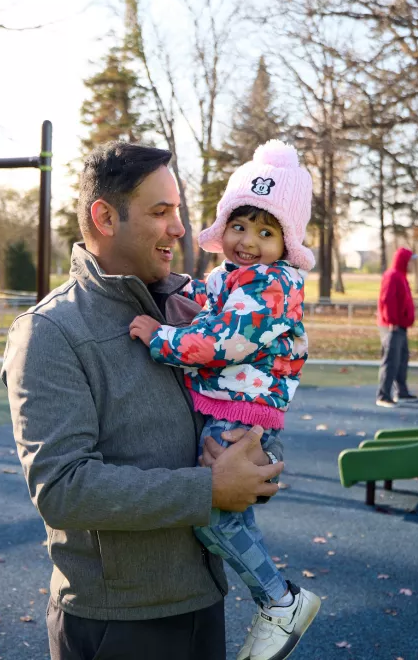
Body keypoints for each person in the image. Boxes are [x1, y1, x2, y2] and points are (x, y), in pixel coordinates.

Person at [1, 142, 285, 660]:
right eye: (161, 212)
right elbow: (62, 488)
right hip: (116, 624)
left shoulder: (191, 312)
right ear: (105, 217)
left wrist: (252, 469)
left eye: (177, 211)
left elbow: (230, 420)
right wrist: (209, 488)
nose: (180, 228)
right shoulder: (49, 332)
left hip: (204, 603)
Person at [129, 141, 321, 660]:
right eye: (240, 226)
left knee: (211, 515)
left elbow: (223, 342)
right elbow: (210, 301)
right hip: (228, 407)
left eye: (266, 232)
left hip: (241, 414)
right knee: (231, 518)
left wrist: (159, 338)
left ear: (287, 241)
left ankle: (279, 599)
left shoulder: (275, 287)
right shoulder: (232, 279)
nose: (249, 242)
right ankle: (277, 598)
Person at [376, 247, 418, 407]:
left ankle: (401, 391)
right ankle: (383, 395)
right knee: (391, 360)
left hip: (400, 325)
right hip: (392, 326)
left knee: (402, 358)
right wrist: (392, 321)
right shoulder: (392, 276)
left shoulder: (401, 276)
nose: (411, 264)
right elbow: (387, 300)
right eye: (410, 261)